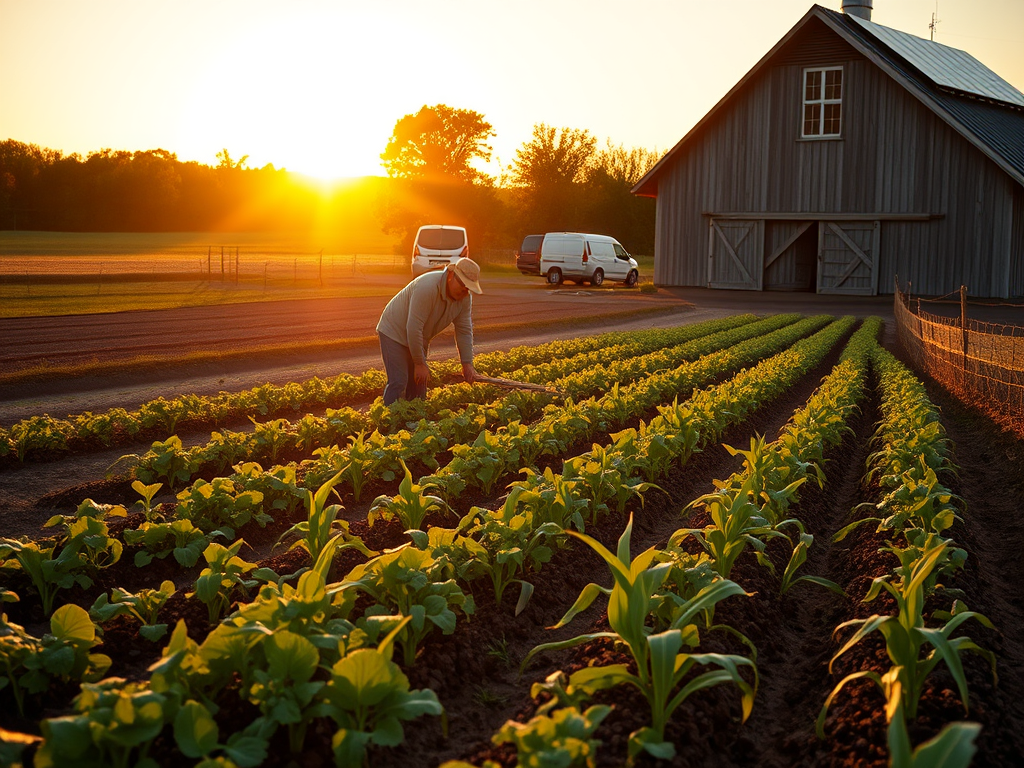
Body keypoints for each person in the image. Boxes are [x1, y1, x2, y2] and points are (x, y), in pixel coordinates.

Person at [375, 257, 483, 405]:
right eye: (464, 285)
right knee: (399, 381)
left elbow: (464, 330)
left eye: (469, 288)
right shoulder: (427, 287)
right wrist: (419, 363)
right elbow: (414, 327)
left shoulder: (464, 298)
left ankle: (415, 422)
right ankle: (388, 421)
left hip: (419, 336)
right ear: (451, 276)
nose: (465, 290)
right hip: (394, 331)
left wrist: (467, 364)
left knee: (419, 384)